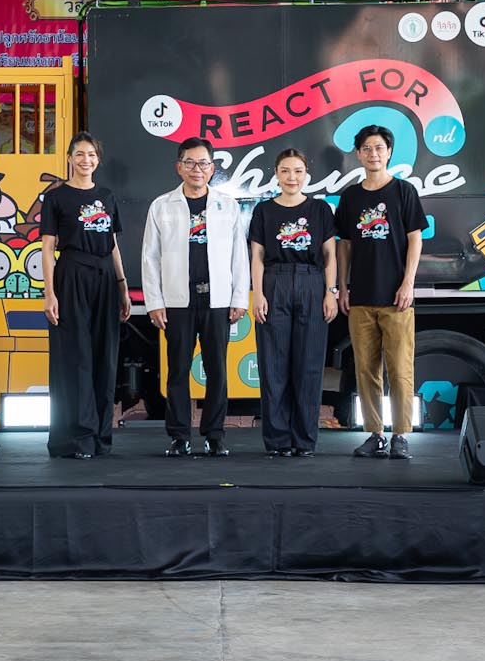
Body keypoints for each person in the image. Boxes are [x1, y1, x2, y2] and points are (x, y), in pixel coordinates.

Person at [141, 138, 249, 457]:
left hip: (217, 301)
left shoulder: (227, 205)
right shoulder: (162, 206)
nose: (196, 169)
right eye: (190, 162)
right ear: (179, 167)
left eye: (203, 163)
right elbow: (150, 257)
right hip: (178, 301)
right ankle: (179, 436)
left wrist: (239, 297)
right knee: (177, 371)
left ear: (212, 169)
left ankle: (215, 435)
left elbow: (239, 255)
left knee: (217, 371)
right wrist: (154, 302)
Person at [335, 125, 424, 460]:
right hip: (360, 298)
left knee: (400, 369)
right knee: (366, 370)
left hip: (396, 298)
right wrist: (342, 287)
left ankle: (400, 435)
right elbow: (344, 245)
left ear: (389, 152)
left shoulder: (403, 191)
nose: (373, 154)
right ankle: (375, 434)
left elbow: (415, 239)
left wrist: (408, 283)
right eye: (367, 148)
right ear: (359, 154)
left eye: (379, 148)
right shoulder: (350, 197)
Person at [40, 132, 131, 460]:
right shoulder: (56, 198)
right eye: (79, 154)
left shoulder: (107, 196)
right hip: (72, 275)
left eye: (91, 154)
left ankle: (100, 437)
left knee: (105, 356)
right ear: (69, 158)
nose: (85, 160)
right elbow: (47, 248)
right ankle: (77, 438)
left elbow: (113, 244)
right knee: (75, 356)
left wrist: (123, 286)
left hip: (105, 277)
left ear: (98, 159)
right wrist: (50, 293)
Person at [249, 149, 337, 457]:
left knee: (309, 365)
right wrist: (258, 293)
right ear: (276, 174)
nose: (292, 177)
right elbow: (257, 256)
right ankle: (277, 441)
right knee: (273, 365)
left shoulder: (320, 209)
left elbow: (330, 255)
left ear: (306, 174)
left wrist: (331, 291)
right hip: (275, 282)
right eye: (285, 171)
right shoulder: (264, 211)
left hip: (312, 282)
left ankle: (304, 440)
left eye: (298, 171)